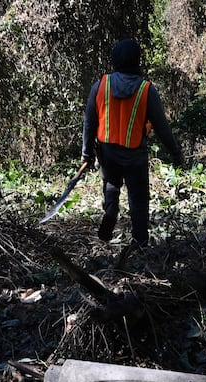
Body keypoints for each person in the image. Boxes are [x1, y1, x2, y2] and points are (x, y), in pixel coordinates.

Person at [81, 38, 184, 250]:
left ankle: (111, 210)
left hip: (107, 152)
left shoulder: (100, 85)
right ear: (137, 60)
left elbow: (89, 123)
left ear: (115, 60)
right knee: (138, 200)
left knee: (111, 183)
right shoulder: (146, 90)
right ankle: (139, 243)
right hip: (135, 155)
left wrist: (87, 154)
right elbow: (162, 127)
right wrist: (176, 154)